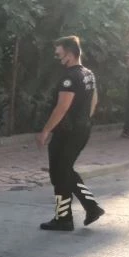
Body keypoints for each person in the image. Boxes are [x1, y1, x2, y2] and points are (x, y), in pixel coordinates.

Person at [35, 36, 104, 231]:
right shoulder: (88, 74)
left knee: (60, 172)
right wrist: (85, 120)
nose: (58, 57)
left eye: (60, 54)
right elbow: (94, 100)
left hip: (68, 132)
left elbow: (62, 107)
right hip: (81, 129)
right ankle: (78, 212)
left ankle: (69, 216)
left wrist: (45, 131)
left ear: (70, 53)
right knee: (63, 171)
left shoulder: (70, 78)